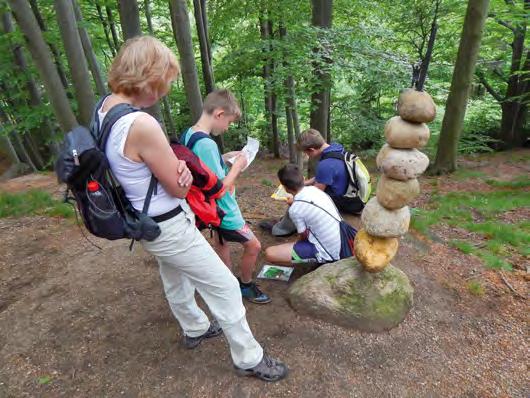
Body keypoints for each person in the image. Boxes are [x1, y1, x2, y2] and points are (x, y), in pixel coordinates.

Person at [100, 36, 286, 381]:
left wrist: (178, 167)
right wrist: (182, 174)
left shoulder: (105, 110)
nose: (165, 91)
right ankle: (248, 358)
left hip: (146, 222)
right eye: (165, 82)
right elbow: (180, 186)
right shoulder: (141, 124)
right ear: (149, 75)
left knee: (175, 276)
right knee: (226, 287)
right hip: (167, 223)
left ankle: (195, 327)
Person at [181, 89, 270, 304]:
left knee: (220, 241)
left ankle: (227, 282)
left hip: (207, 209)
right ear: (219, 114)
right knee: (254, 246)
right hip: (223, 209)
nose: (227, 127)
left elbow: (200, 168)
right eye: (228, 122)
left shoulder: (190, 134)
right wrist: (237, 167)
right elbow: (220, 188)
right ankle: (245, 285)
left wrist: (224, 158)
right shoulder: (207, 143)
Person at [265, 164, 341, 265]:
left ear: (285, 188)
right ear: (303, 179)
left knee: (270, 253)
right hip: (340, 239)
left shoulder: (295, 209)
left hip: (328, 252)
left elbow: (303, 236)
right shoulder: (315, 190)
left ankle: (320, 260)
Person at [298, 128, 365, 215]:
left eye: (306, 153)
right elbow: (323, 177)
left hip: (344, 202)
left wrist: (296, 191)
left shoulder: (326, 164)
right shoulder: (337, 148)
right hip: (354, 195)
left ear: (311, 150)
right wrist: (305, 183)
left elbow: (316, 193)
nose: (307, 155)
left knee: (301, 204)